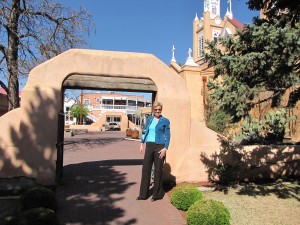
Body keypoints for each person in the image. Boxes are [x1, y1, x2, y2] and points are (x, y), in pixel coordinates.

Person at [137, 102, 171, 202]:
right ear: (153, 110)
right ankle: (143, 194)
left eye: (159, 109)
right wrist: (141, 143)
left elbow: (168, 135)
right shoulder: (149, 119)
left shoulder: (165, 121)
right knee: (146, 169)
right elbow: (145, 130)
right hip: (149, 146)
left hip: (160, 147)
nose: (157, 111)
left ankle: (157, 195)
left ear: (161, 110)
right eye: (155, 109)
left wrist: (165, 148)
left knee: (158, 170)